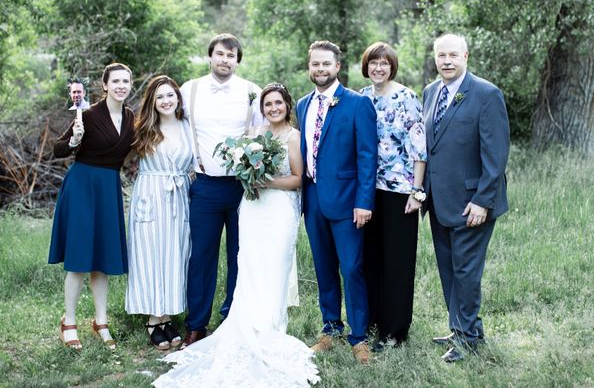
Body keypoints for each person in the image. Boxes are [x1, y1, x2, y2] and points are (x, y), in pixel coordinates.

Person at [154, 83, 319, 388]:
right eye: (268, 104)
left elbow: (297, 179)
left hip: (280, 209)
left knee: (275, 266)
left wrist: (266, 181)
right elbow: (240, 165)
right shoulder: (254, 135)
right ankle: (243, 325)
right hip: (253, 209)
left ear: (287, 106)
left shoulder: (293, 137)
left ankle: (269, 328)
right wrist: (248, 175)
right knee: (249, 265)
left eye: (278, 104)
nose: (273, 109)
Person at [422, 34, 510, 362]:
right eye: (441, 55)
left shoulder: (486, 94)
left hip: (473, 202)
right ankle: (462, 327)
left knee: (467, 272)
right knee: (449, 269)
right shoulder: (431, 92)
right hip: (439, 201)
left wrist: (483, 200)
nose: (446, 61)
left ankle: (467, 339)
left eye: (453, 55)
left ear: (466, 56)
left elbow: (496, 154)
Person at [179, 33, 263, 348]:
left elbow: (262, 133)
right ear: (210, 56)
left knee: (239, 255)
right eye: (219, 54)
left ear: (237, 60)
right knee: (200, 256)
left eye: (230, 55)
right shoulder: (191, 89)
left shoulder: (251, 92)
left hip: (242, 187)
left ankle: (232, 320)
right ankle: (196, 325)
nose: (224, 60)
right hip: (204, 184)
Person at [296, 40, 378, 364]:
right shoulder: (302, 105)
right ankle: (330, 329)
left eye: (325, 64)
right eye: (315, 64)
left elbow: (368, 157)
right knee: (323, 267)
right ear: (309, 67)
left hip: (347, 201)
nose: (320, 69)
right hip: (313, 197)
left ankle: (359, 337)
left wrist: (364, 201)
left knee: (352, 267)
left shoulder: (357, 104)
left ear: (337, 67)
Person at [49, 63, 135, 350]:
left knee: (103, 260)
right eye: (116, 81)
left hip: (109, 187)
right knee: (79, 258)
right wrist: (74, 140)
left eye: (126, 81)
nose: (122, 85)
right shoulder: (87, 114)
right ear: (105, 85)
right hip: (83, 186)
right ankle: (69, 322)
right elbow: (57, 149)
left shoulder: (131, 116)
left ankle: (101, 321)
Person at [359, 42, 427, 352]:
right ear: (366, 66)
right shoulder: (362, 97)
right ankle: (375, 320)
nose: (378, 68)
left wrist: (417, 191)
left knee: (397, 262)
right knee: (372, 259)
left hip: (400, 192)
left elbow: (419, 149)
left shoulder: (407, 97)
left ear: (392, 67)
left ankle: (395, 330)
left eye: (384, 63)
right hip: (368, 191)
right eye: (373, 63)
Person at [125, 75, 192, 350]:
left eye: (170, 95)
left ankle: (168, 314)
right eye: (160, 97)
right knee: (150, 256)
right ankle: (154, 318)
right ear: (152, 101)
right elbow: (118, 157)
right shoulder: (142, 129)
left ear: (178, 97)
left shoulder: (188, 126)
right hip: (150, 195)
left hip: (179, 197)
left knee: (175, 255)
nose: (166, 101)